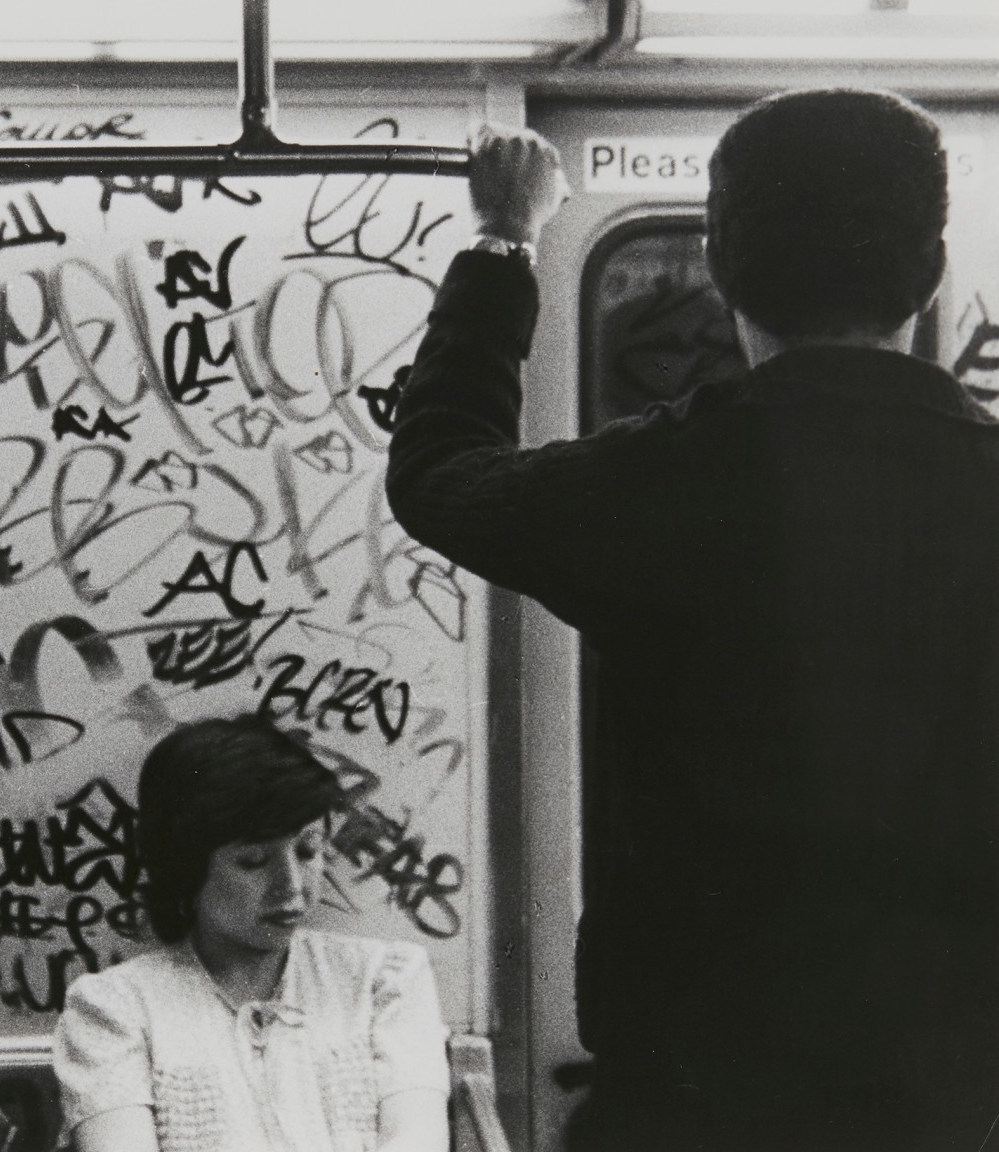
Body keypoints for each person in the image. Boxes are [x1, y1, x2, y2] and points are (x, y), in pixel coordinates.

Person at [386, 89, 999, 1151]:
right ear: (929, 266)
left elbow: (440, 471)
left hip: (684, 1104)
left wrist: (501, 241)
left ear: (717, 264)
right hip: (940, 1103)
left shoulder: (652, 486)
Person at [53, 715, 451, 1152]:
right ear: (185, 867)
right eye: (253, 861)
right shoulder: (115, 1011)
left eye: (307, 850)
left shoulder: (383, 980)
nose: (292, 886)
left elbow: (416, 1139)